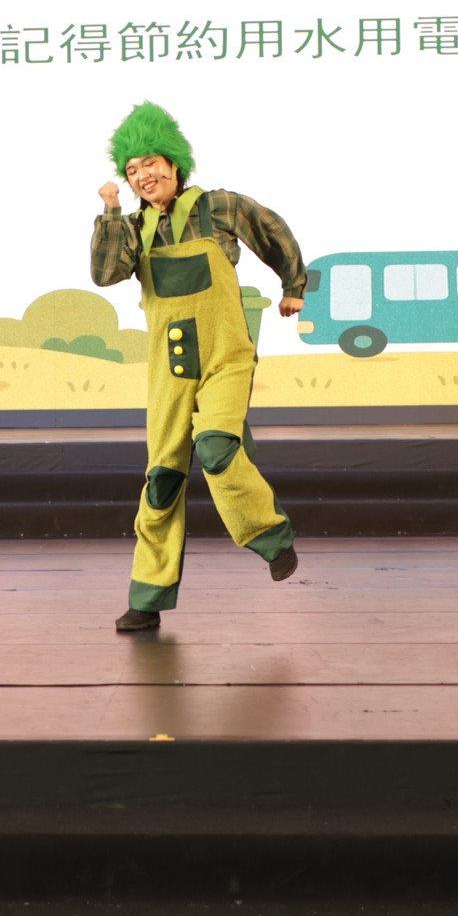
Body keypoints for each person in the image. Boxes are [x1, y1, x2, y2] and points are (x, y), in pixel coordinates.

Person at [90, 103, 305, 632]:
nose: (143, 175)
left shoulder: (218, 206)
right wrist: (111, 211)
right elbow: (105, 273)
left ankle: (270, 535)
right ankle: (147, 597)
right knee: (162, 479)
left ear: (174, 163)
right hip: (169, 369)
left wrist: (293, 286)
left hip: (225, 357)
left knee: (215, 448)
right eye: (132, 170)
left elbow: (272, 229)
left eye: (150, 163)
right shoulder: (133, 228)